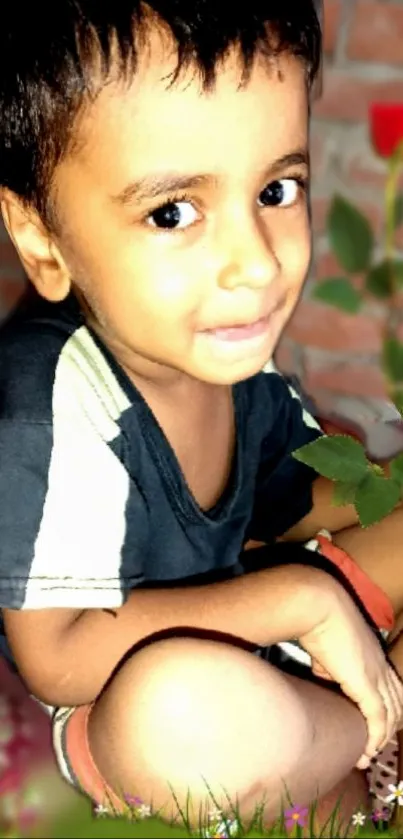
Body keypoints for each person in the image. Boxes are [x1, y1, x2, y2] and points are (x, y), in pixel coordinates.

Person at [0, 1, 402, 831]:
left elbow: (299, 493)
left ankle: (337, 740)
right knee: (177, 712)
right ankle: (373, 735)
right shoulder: (48, 400)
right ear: (42, 241)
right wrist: (299, 603)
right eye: (173, 212)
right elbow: (59, 657)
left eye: (276, 189)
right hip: (121, 706)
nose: (254, 262)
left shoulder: (225, 361)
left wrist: (380, 497)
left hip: (268, 633)